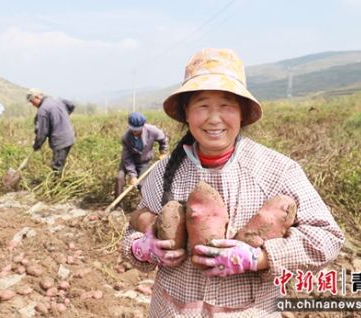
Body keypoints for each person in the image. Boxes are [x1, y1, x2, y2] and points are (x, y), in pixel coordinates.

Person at [121, 48, 344, 317]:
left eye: (226, 106)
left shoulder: (277, 170)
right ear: (186, 114)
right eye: (202, 105)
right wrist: (142, 247)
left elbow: (327, 237)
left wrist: (259, 258)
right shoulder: (163, 172)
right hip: (172, 310)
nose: (214, 118)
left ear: (241, 113)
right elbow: (135, 226)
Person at [114, 112, 168, 199]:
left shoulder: (152, 130)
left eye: (137, 130)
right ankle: (118, 207)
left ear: (143, 126)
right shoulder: (126, 137)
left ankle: (146, 205)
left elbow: (163, 139)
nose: (135, 132)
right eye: (133, 129)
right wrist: (132, 175)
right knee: (119, 178)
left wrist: (163, 151)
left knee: (143, 184)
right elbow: (127, 158)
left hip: (143, 162)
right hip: (128, 162)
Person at [27, 88, 75, 173]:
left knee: (56, 167)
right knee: (60, 163)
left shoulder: (43, 110)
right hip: (70, 136)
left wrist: (36, 145)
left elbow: (42, 133)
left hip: (61, 140)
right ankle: (59, 180)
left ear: (37, 97)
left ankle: (56, 184)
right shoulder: (57, 101)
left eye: (31, 101)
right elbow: (71, 105)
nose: (32, 104)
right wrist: (63, 117)